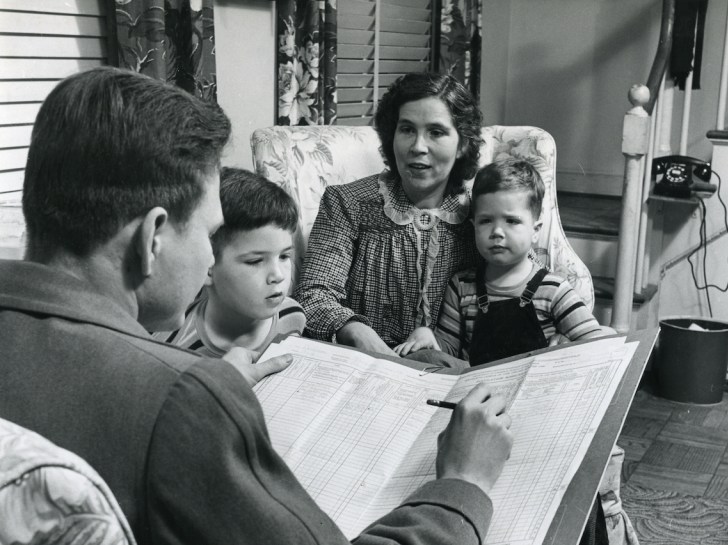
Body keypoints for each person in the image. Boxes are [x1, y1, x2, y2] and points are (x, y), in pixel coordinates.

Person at [0, 67, 514, 545]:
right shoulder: (184, 399)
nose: (209, 260)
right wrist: (464, 485)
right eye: (209, 232)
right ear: (152, 238)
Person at [294, 72, 482, 358]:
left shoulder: (483, 214)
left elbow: (525, 278)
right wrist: (356, 331)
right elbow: (313, 295)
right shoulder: (347, 203)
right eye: (407, 129)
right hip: (364, 366)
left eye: (436, 132)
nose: (418, 146)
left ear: (463, 144)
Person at [394, 158, 605, 365]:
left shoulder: (554, 290)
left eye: (512, 221)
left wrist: (566, 344)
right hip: (475, 391)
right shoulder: (461, 286)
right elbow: (448, 350)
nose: (497, 232)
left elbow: (594, 342)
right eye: (486, 221)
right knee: (421, 359)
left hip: (532, 389)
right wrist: (428, 337)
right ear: (473, 225)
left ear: (535, 230)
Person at [155, 167, 305, 359]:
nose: (278, 275)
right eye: (255, 261)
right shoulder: (172, 344)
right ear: (208, 267)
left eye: (284, 257)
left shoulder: (292, 315)